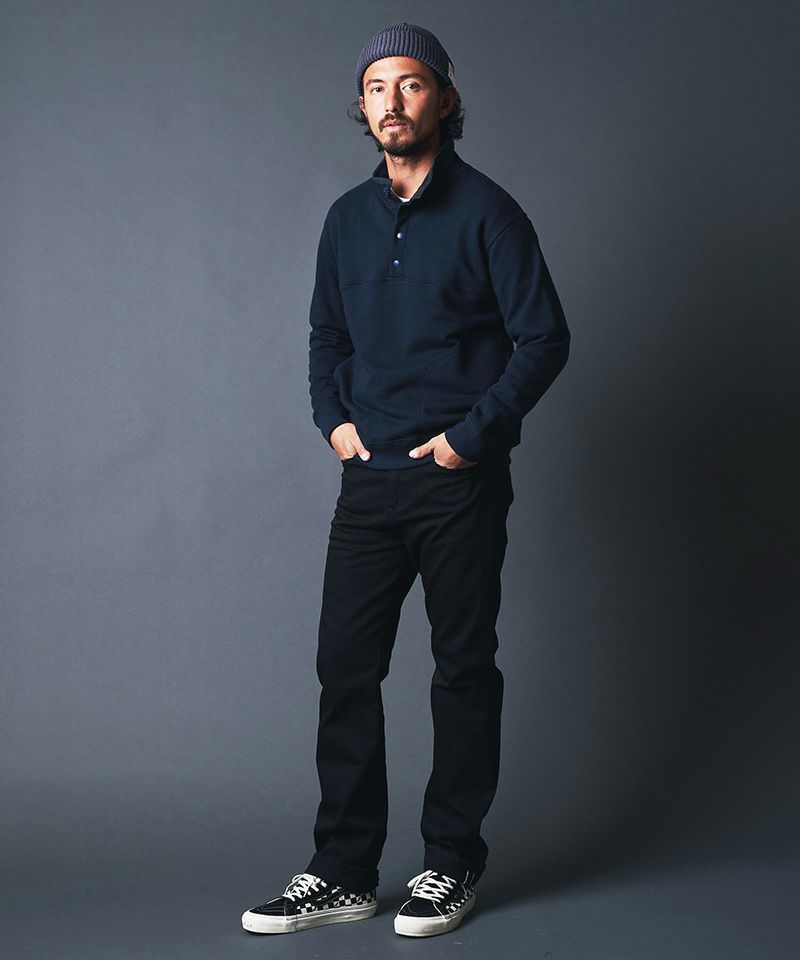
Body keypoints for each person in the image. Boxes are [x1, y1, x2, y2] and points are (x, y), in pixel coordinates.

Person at [242, 21, 570, 939]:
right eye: (377, 86)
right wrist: (333, 421)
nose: (392, 100)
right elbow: (326, 336)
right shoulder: (345, 219)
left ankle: (450, 863)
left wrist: (470, 438)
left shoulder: (490, 212)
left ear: (445, 100)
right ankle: (343, 872)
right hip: (369, 479)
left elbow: (545, 337)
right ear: (362, 105)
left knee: (461, 669)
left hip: (457, 480)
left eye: (412, 83)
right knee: (345, 669)